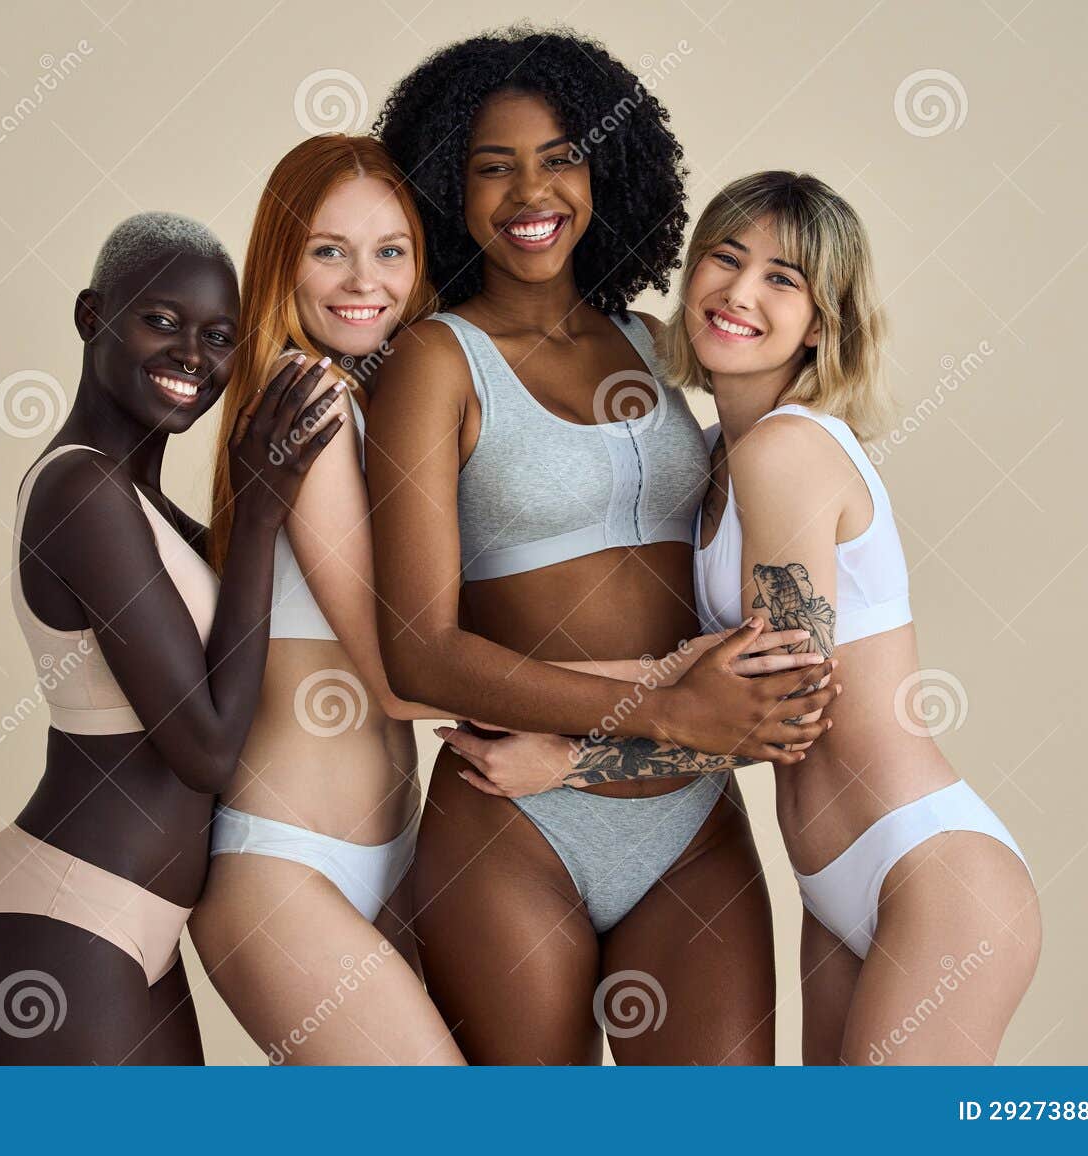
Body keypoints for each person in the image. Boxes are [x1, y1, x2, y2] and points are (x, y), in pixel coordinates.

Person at [368, 30, 838, 1065]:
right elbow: (418, 651)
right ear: (447, 186)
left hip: (686, 812)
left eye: (560, 156)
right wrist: (666, 702)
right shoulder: (434, 363)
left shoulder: (649, 342)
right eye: (492, 166)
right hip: (516, 821)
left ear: (605, 169)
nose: (529, 190)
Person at [0, 212, 343, 1064]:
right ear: (93, 318)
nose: (193, 356)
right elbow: (205, 749)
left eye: (219, 337)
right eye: (162, 321)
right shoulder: (82, 493)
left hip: (126, 926)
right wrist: (260, 503)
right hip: (57, 923)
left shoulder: (142, 504)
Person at [187, 136, 463, 1065]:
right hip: (286, 866)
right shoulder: (308, 399)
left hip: (389, 856)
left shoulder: (378, 400)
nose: (364, 279)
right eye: (327, 249)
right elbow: (395, 677)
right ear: (281, 261)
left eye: (391, 250)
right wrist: (643, 698)